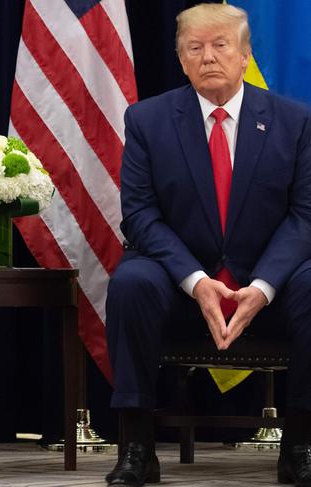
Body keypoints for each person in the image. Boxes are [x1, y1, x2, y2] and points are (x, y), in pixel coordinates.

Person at [104, 3, 311, 486]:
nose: (208, 57)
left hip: (268, 287)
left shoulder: (294, 121)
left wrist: (261, 287)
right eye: (194, 48)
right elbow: (139, 215)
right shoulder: (147, 120)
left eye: (221, 45)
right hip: (179, 287)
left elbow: (305, 216)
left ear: (245, 56)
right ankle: (136, 446)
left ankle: (300, 444)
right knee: (131, 281)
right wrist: (196, 282)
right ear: (180, 59)